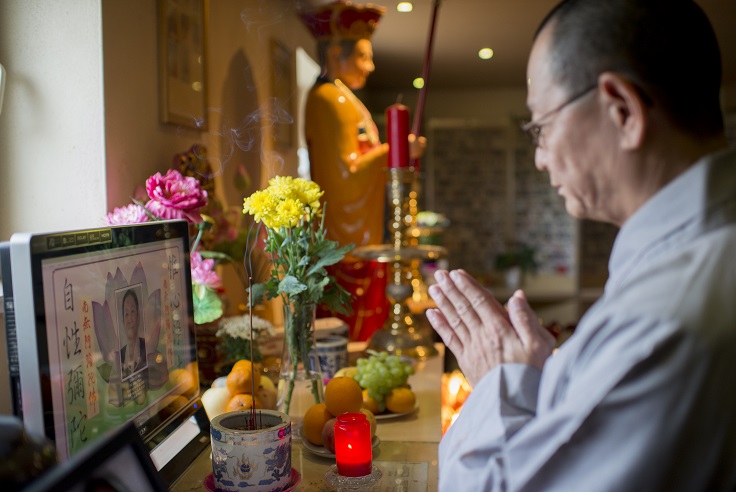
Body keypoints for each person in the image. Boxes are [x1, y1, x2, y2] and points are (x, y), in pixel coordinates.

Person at [426, 1, 736, 490]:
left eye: (541, 127)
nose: (540, 159)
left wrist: (497, 384)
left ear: (622, 110)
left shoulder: (663, 318)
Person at [301, 0, 426, 341]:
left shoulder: (342, 99)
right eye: (362, 55)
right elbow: (345, 174)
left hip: (361, 229)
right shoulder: (331, 100)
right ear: (334, 54)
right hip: (348, 235)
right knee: (354, 329)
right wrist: (394, 150)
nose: (370, 66)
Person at [120, 289, 147, 379]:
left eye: (132, 311)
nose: (130, 319)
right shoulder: (119, 356)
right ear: (123, 322)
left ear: (138, 317)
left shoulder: (147, 348)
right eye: (126, 314)